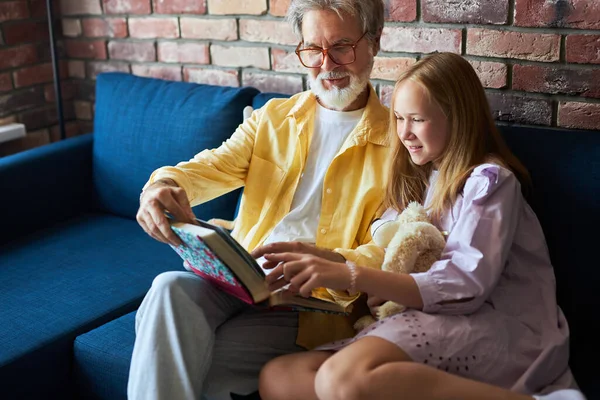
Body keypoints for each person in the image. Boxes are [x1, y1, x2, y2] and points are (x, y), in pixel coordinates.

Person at [257, 52, 586, 400]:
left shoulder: (489, 182)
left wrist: (352, 275)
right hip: (429, 315)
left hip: (494, 321)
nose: (405, 133)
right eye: (399, 118)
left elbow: (464, 284)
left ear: (457, 119)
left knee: (343, 380)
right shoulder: (418, 181)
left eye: (417, 119)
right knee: (281, 376)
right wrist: (327, 260)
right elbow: (387, 254)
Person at [127, 1, 395, 399]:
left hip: (310, 305)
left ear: (374, 43)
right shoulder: (272, 119)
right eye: (312, 49)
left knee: (181, 357)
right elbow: (208, 167)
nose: (326, 64)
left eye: (342, 46)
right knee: (168, 288)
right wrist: (160, 186)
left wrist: (334, 262)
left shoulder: (398, 141)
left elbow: (390, 244)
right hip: (240, 278)